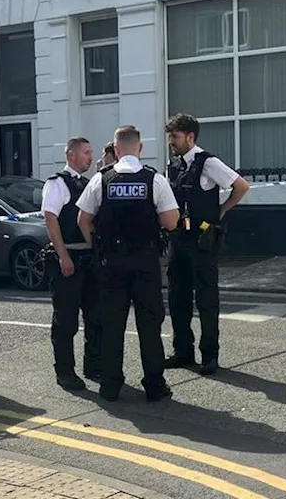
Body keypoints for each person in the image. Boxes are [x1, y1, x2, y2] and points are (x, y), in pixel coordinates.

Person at [77, 125, 180, 402]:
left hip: (112, 264)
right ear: (140, 148)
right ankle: (155, 386)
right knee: (149, 326)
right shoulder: (154, 180)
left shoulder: (101, 180)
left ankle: (110, 386)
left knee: (112, 326)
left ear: (116, 149)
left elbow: (83, 220)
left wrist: (96, 246)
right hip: (146, 263)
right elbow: (171, 222)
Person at [163, 113, 250, 376]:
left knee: (207, 299)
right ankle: (183, 351)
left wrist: (221, 210)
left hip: (202, 241)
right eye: (170, 137)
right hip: (179, 238)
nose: (171, 142)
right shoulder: (174, 165)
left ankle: (209, 356)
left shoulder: (208, 162)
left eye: (175, 136)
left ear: (190, 137)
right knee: (178, 296)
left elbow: (241, 186)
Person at [41, 137, 101, 390]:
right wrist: (63, 255)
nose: (90, 157)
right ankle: (64, 371)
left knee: (95, 316)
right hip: (69, 258)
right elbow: (50, 218)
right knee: (66, 320)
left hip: (89, 258)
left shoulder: (87, 183)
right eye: (86, 152)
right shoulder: (57, 184)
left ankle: (94, 365)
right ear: (72, 155)